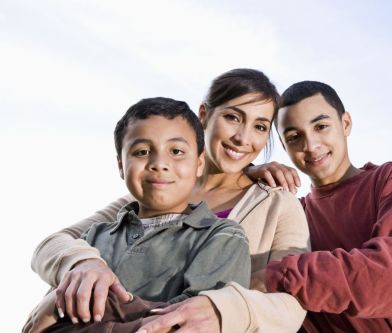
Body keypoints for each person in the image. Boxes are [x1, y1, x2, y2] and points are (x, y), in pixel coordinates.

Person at [25, 69, 310, 333]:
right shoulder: (149, 195)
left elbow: (291, 303)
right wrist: (81, 266)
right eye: (233, 117)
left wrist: (222, 309)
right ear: (204, 115)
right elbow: (54, 244)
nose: (242, 138)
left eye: (260, 127)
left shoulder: (278, 204)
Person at [248, 81, 392, 332]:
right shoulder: (292, 215)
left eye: (321, 127)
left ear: (345, 124)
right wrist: (247, 175)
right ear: (285, 147)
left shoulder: (390, 179)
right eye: (294, 137)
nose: (310, 145)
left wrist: (281, 276)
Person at [37, 97, 253, 332]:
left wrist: (97, 312)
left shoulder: (222, 236)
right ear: (121, 165)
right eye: (142, 152)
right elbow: (45, 322)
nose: (159, 163)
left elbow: (186, 323)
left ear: (199, 164)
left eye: (177, 151)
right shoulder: (93, 238)